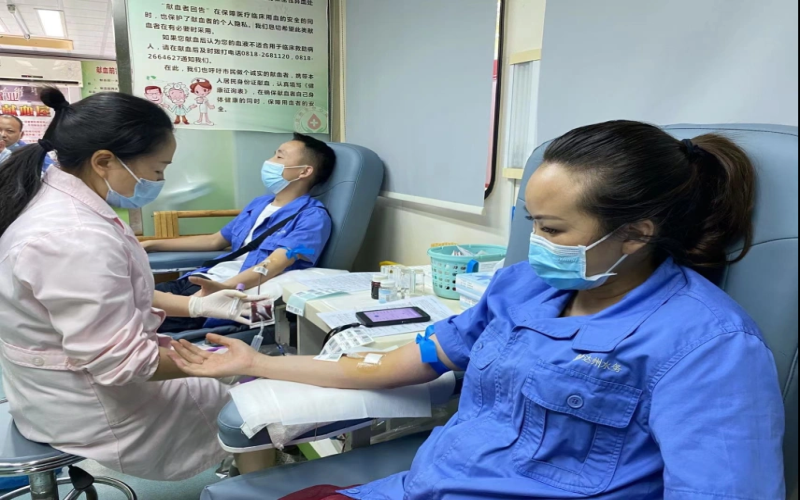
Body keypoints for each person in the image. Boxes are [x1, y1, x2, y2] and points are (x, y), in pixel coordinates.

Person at [171, 121, 786, 499]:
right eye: (531, 222)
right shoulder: (521, 287)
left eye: (552, 228)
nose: (534, 243)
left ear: (636, 234)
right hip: (424, 485)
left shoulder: (708, 344)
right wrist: (255, 363)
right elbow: (390, 366)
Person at [0, 88, 267, 481]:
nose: (159, 181)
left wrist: (195, 305)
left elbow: (111, 294)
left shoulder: (57, 198)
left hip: (53, 385)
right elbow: (123, 362)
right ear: (104, 161)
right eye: (157, 171)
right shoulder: (74, 236)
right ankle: (251, 484)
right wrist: (226, 363)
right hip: (90, 404)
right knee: (259, 404)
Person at [142, 132, 336, 333]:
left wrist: (226, 287)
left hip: (220, 295)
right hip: (199, 278)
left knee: (132, 322)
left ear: (304, 171)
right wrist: (152, 244)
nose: (269, 161)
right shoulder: (259, 204)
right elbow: (214, 240)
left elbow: (275, 263)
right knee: (126, 303)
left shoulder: (312, 217)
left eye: (279, 156)